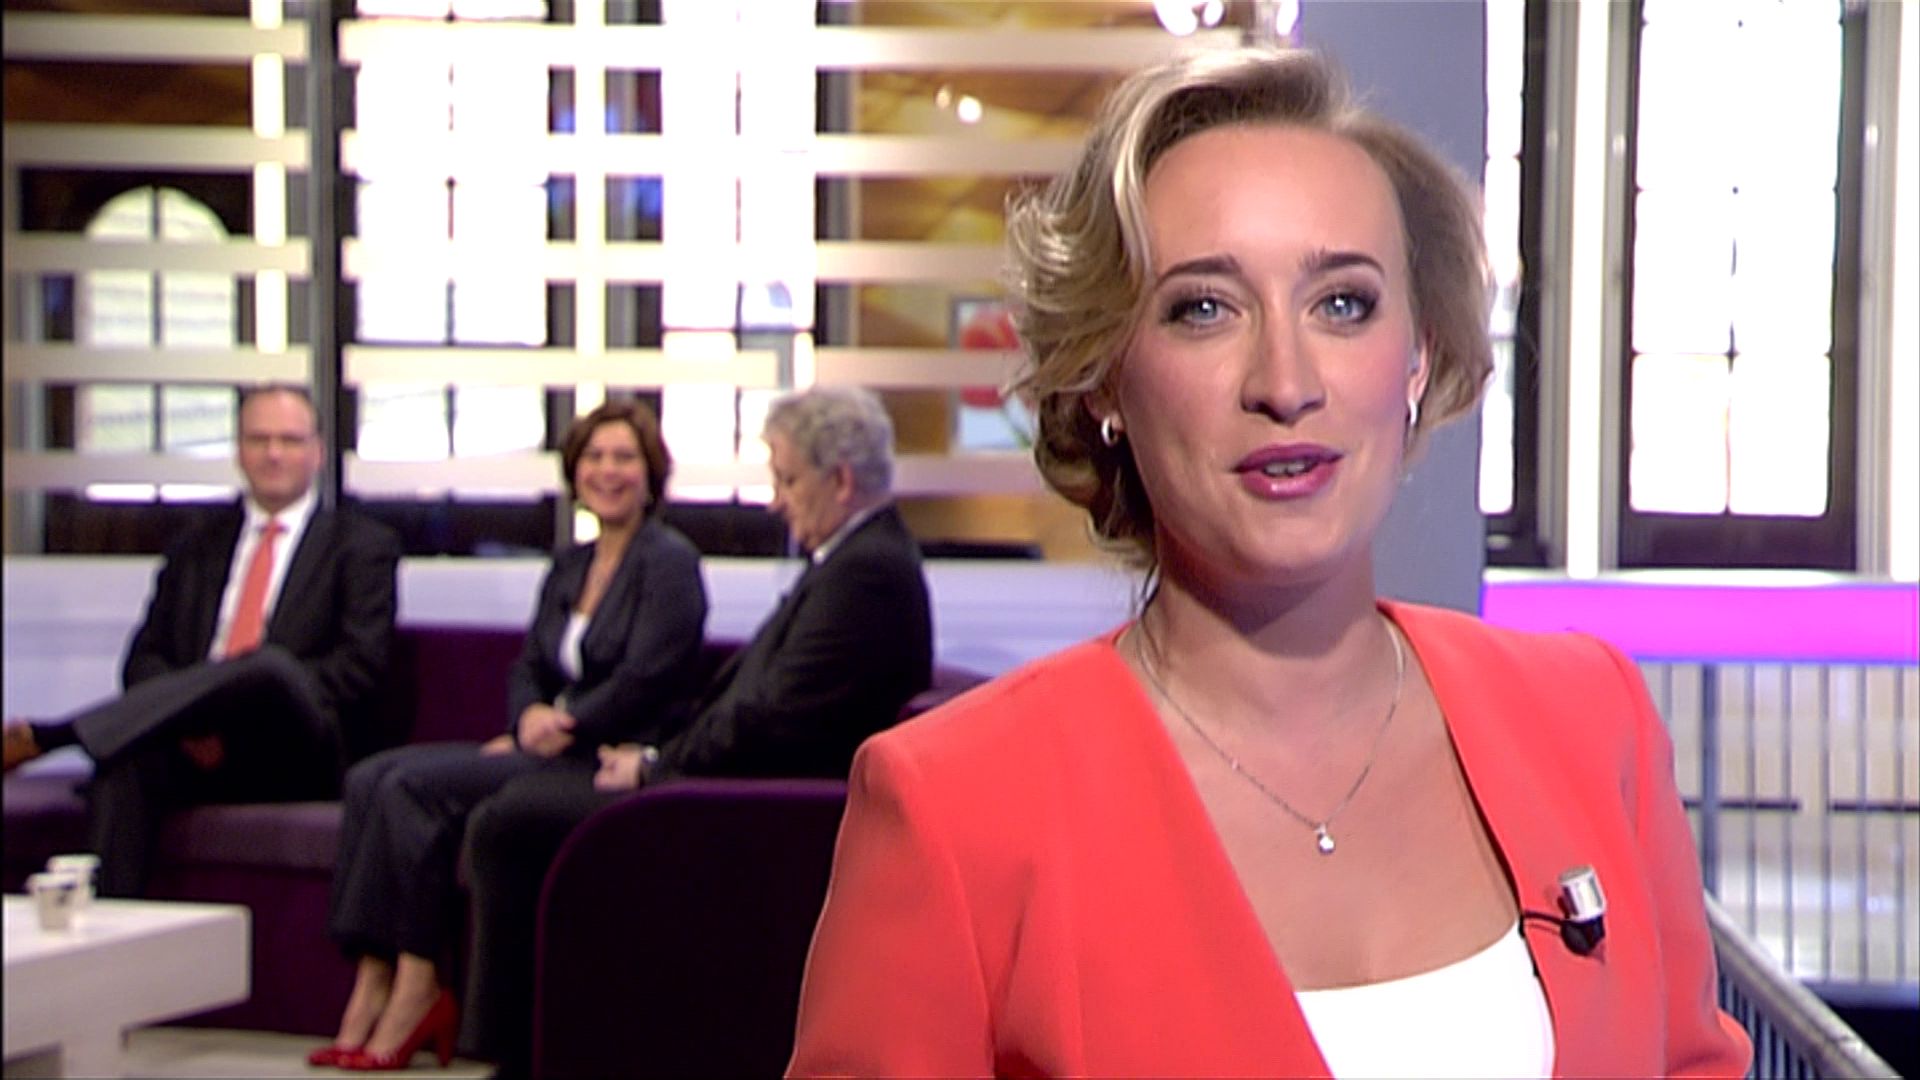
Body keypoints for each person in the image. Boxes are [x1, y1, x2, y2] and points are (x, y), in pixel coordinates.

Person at [786, 48, 1752, 1078]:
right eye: (1203, 308)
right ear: (1103, 379)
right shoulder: (952, 807)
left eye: (1343, 304)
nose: (1285, 384)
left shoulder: (1589, 719)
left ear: (1417, 358)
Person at [457, 384, 934, 1077]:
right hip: (738, 788)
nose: (775, 502)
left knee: (513, 821)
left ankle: (514, 1058)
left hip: (764, 812)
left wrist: (654, 766)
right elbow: (752, 702)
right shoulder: (850, 560)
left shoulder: (868, 573)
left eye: (786, 480)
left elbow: (769, 719)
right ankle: (533, 1052)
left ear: (840, 480)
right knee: (519, 804)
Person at [314, 398, 708, 1072]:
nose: (607, 471)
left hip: (601, 759)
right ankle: (371, 979)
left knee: (413, 790)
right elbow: (528, 664)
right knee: (370, 778)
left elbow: (649, 677)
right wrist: (527, 717)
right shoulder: (572, 564)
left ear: (651, 475)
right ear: (574, 471)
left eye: (624, 458)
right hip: (546, 744)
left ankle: (417, 987)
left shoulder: (669, 563)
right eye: (594, 457)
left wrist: (565, 724)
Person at [3, 384, 401, 899]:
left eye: (289, 440)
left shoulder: (361, 545)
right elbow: (144, 659)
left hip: (295, 747)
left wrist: (234, 708)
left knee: (269, 667)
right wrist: (195, 721)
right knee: (125, 765)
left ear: (318, 452)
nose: (273, 454)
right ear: (239, 451)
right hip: (195, 746)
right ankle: (109, 932)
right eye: (258, 440)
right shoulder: (196, 544)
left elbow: (359, 668)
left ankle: (53, 736)